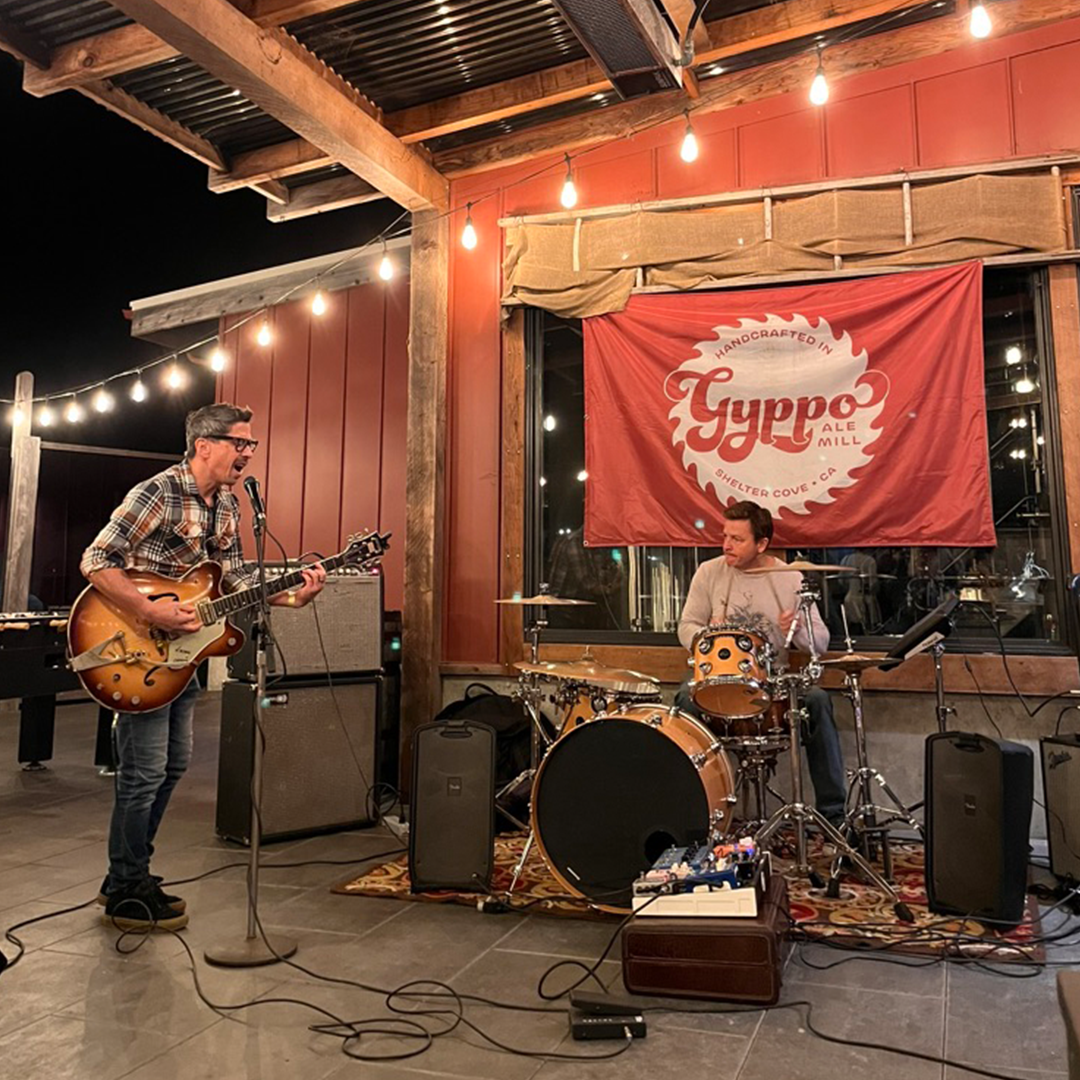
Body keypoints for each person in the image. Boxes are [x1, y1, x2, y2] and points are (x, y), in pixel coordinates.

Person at [80, 403, 326, 932]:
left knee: (172, 766)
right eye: (241, 443)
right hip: (137, 651)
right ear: (204, 445)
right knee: (144, 772)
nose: (248, 453)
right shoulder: (158, 492)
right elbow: (97, 559)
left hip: (184, 657)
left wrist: (291, 596)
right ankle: (126, 885)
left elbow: (235, 581)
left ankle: (125, 874)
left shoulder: (230, 505)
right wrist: (150, 610)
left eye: (251, 444)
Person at [675, 500, 847, 828]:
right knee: (684, 699)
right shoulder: (709, 572)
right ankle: (694, 814)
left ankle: (834, 817)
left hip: (771, 682)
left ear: (762, 544)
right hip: (719, 680)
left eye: (737, 539)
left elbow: (821, 644)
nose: (727, 545)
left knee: (818, 701)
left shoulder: (790, 578)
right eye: (725, 536)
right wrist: (707, 635)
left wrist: (797, 630)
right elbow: (685, 626)